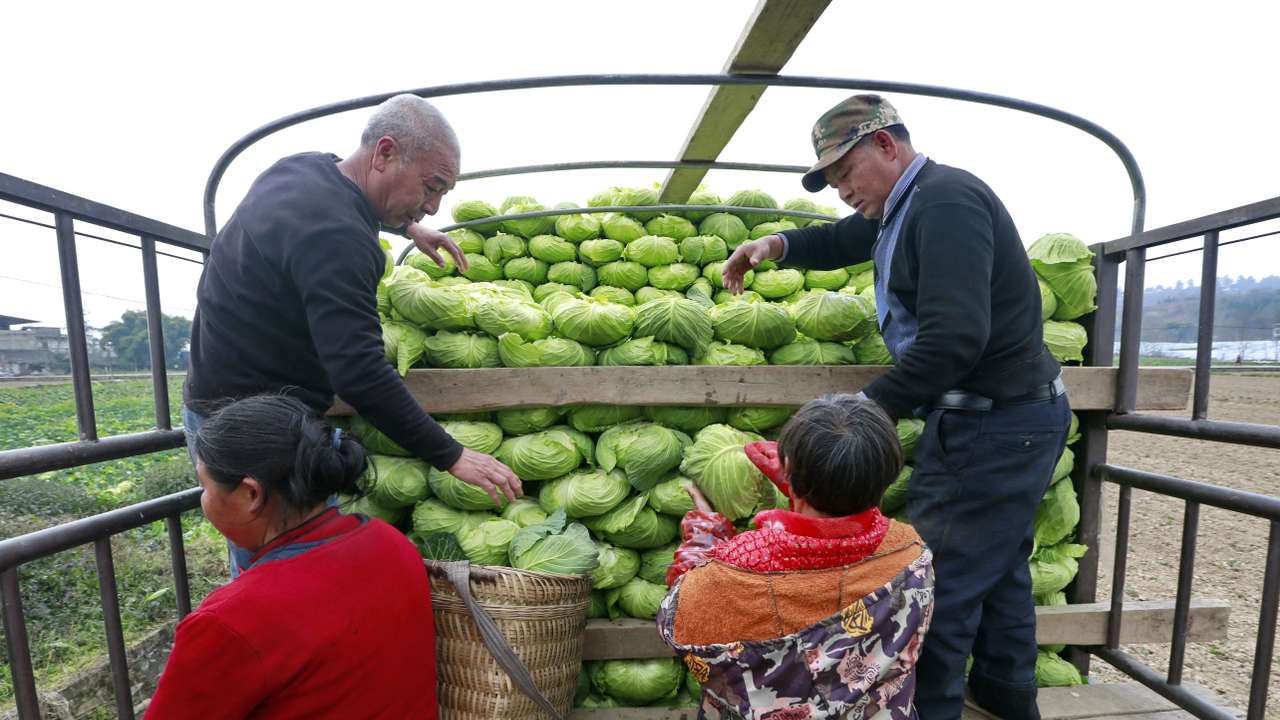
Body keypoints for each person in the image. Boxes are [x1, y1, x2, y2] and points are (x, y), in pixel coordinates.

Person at [722, 95, 1071, 719]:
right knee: (1002, 568)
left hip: (993, 421)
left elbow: (954, 339)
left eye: (843, 175)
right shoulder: (907, 206)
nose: (841, 192)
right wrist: (773, 245)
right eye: (830, 182)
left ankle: (933, 709)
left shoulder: (945, 201)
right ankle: (1007, 696)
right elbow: (841, 238)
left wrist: (862, 409)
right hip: (1007, 416)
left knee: (945, 585)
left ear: (886, 145)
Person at [184, 94, 520, 574]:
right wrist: (451, 455)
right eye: (431, 187)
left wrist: (406, 226)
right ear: (384, 153)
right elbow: (359, 370)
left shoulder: (303, 169)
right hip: (253, 433)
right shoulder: (339, 238)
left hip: (220, 400)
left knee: (276, 567)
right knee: (274, 576)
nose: (433, 205)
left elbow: (326, 221)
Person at [147, 395, 438, 719]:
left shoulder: (228, 623)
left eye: (204, 485)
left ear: (250, 494)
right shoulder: (390, 543)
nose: (203, 500)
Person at [657, 394, 934, 718]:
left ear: (787, 469)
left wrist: (705, 531)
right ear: (888, 477)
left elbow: (675, 616)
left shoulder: (730, 574)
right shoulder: (911, 553)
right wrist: (815, 488)